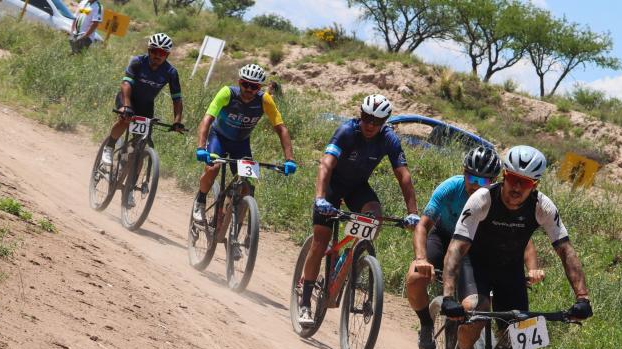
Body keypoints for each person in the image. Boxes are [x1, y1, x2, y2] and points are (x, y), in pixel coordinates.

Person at [441, 145, 593, 349]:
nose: (516, 188)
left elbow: (566, 250)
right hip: (475, 265)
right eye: (512, 179)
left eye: (525, 183)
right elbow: (457, 247)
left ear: (534, 184)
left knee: (523, 338)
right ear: (503, 176)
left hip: (509, 272)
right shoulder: (482, 199)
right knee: (476, 310)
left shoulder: (542, 206)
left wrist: (582, 297)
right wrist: (447, 295)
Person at [297, 94, 421, 326]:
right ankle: (304, 302)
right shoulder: (346, 131)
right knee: (320, 241)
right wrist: (320, 198)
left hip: (356, 188)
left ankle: (348, 253)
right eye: (366, 118)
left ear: (385, 122)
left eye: (377, 121)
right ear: (360, 115)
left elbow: (403, 176)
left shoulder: (389, 139)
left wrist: (412, 212)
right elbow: (326, 164)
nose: (370, 125)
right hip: (333, 186)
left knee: (375, 213)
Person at [406, 144, 543, 349]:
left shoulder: (497, 199)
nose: (477, 186)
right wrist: (420, 258)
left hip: (474, 248)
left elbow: (523, 240)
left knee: (480, 307)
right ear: (463, 173)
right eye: (472, 179)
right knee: (415, 277)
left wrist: (533, 268)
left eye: (484, 181)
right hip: (444, 238)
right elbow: (423, 225)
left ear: (495, 181)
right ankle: (425, 324)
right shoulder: (450, 188)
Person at [193, 64, 296, 222]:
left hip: (241, 143)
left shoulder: (265, 100)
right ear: (239, 82)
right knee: (213, 167)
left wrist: (289, 159)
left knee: (246, 187)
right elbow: (207, 119)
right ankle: (200, 201)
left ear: (259, 87)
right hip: (218, 138)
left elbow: (281, 129)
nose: (248, 89)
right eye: (245, 84)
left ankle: (230, 218)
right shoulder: (227, 93)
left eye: (253, 86)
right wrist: (201, 148)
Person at [100, 33, 184, 168]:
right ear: (148, 50)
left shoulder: (171, 72)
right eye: (154, 51)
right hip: (127, 97)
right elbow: (126, 84)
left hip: (146, 105)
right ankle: (109, 147)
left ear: (167, 54)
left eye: (162, 52)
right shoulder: (138, 62)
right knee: (125, 119)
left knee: (140, 145)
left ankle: (130, 184)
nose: (157, 55)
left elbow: (177, 99)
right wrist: (126, 106)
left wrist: (177, 120)